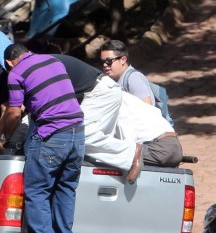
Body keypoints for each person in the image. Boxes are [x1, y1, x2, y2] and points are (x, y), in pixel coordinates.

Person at [0, 43, 85, 233]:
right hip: (77, 133)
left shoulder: (16, 73)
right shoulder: (53, 60)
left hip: (52, 134)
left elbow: (14, 113)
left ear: (8, 62)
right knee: (65, 188)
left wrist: (2, 139)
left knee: (37, 189)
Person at [52, 54, 144, 184]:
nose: (105, 64)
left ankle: (131, 152)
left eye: (109, 61)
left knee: (78, 136)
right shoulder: (38, 65)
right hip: (100, 92)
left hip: (100, 93)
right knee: (85, 145)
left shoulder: (36, 69)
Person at [118, 92, 183, 168]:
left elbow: (127, 135)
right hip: (173, 146)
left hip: (159, 148)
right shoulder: (127, 98)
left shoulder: (116, 102)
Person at [100, 39, 155, 105]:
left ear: (123, 60)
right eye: (102, 61)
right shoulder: (112, 79)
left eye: (109, 61)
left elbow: (147, 108)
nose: (105, 64)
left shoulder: (133, 78)